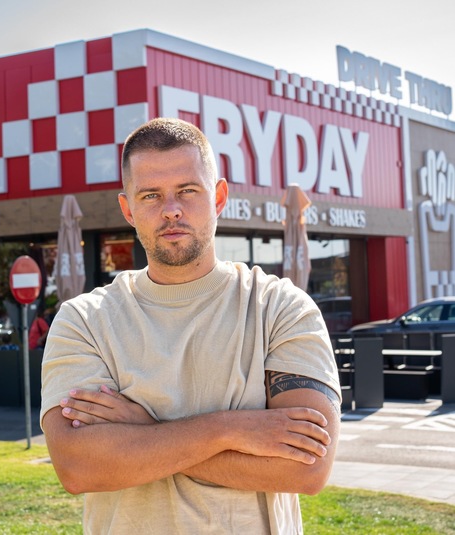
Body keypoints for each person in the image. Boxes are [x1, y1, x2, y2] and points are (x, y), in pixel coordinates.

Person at [41, 118, 341, 534]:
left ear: (218, 197)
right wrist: (229, 430)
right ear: (127, 208)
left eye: (187, 190)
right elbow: (79, 467)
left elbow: (306, 469)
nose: (171, 209)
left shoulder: (280, 307)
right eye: (151, 195)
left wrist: (144, 432)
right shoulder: (85, 320)